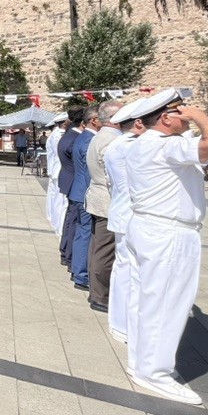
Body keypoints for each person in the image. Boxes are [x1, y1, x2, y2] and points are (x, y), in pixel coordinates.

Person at [124, 89, 208, 405]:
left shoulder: (141, 144)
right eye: (179, 112)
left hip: (146, 225)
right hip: (168, 232)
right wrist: (199, 115)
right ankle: (154, 372)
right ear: (167, 118)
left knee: (144, 299)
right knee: (167, 303)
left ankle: (140, 361)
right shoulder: (166, 146)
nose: (186, 116)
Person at [102, 99, 148, 344]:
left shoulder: (119, 144)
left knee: (126, 269)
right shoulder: (128, 146)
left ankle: (121, 322)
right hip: (129, 213)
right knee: (129, 271)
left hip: (124, 211)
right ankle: (123, 324)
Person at [84, 101, 124, 313]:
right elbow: (114, 177)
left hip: (99, 198)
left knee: (98, 248)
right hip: (107, 201)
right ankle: (100, 295)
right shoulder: (111, 141)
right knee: (105, 250)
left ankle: (97, 291)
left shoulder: (100, 136)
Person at [69, 106, 100, 291]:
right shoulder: (89, 141)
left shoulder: (82, 137)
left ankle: (77, 270)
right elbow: (91, 172)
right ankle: (81, 274)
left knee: (82, 233)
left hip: (78, 191)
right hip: (84, 193)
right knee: (86, 233)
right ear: (94, 120)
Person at [58, 106, 85, 268]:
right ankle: (68, 254)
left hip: (69, 180)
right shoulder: (74, 139)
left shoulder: (68, 135)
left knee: (70, 219)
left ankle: (65, 251)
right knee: (74, 221)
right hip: (75, 182)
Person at [45, 115, 69, 237]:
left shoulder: (54, 134)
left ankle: (54, 220)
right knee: (60, 201)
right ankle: (58, 225)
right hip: (59, 169)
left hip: (55, 169)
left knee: (55, 198)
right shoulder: (59, 135)